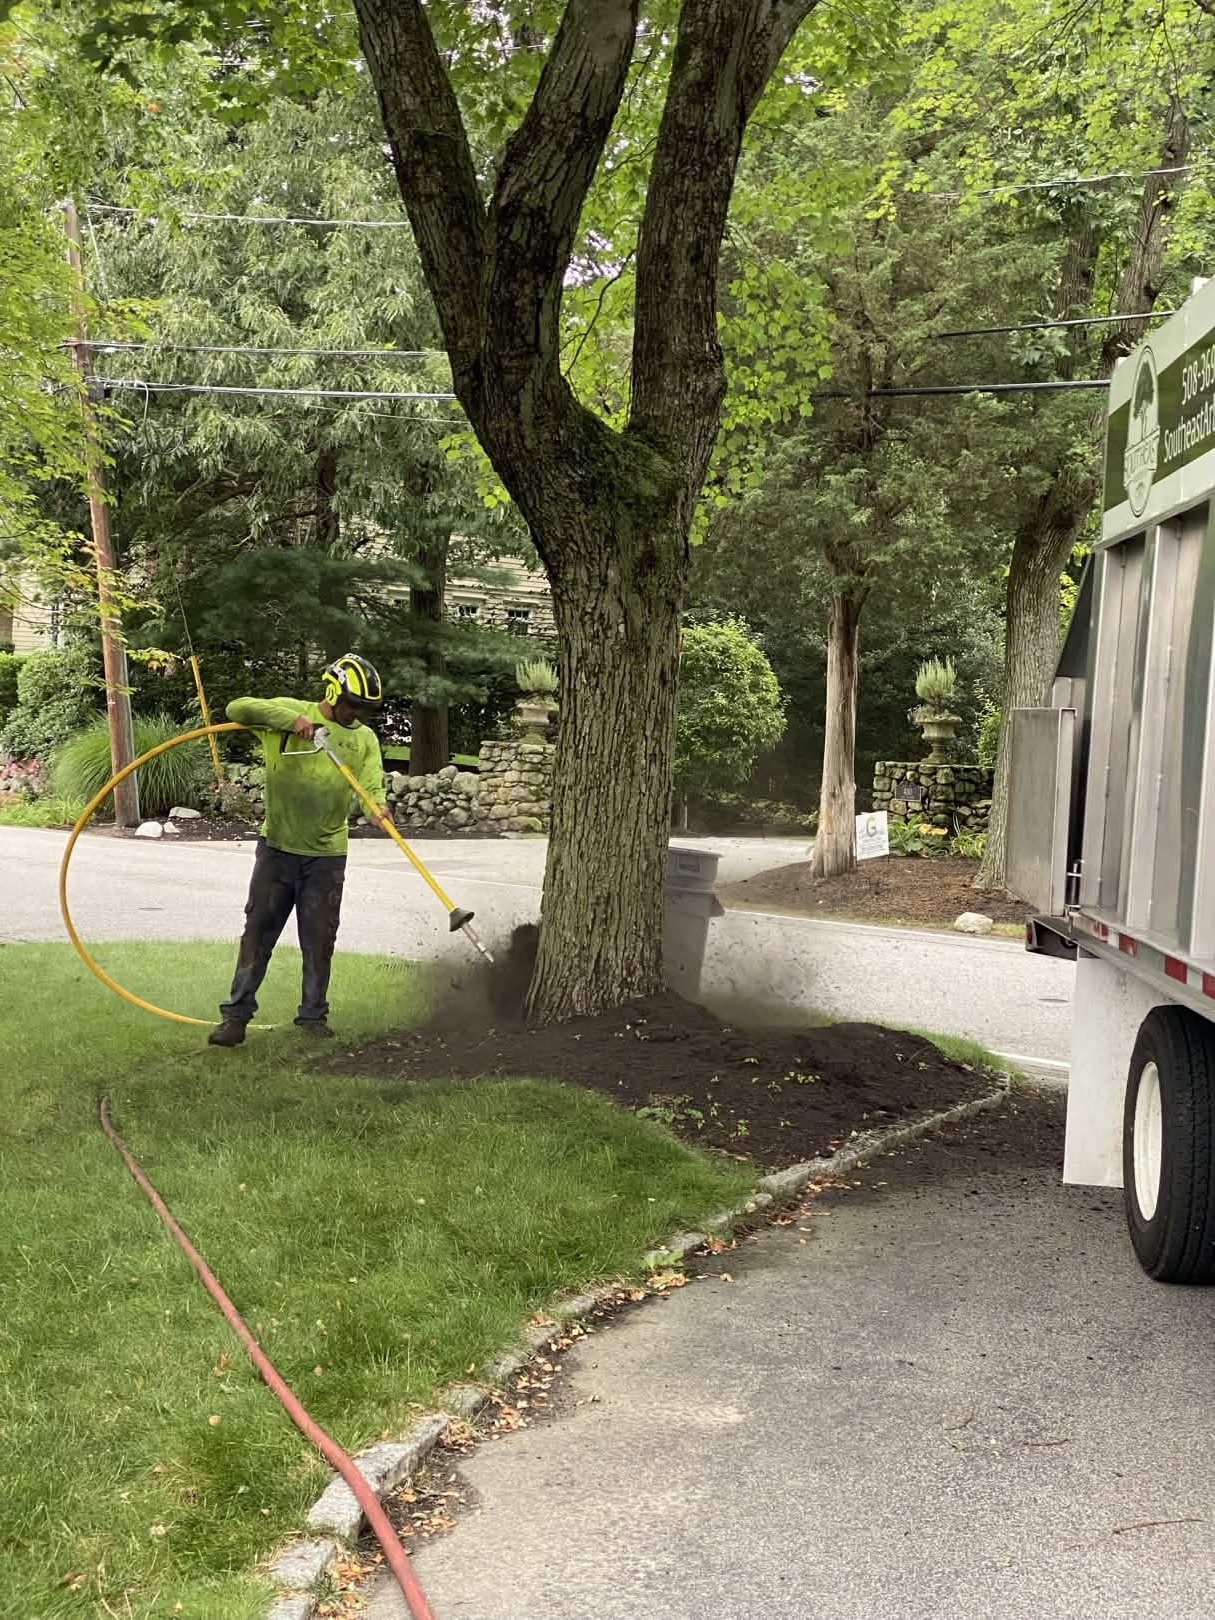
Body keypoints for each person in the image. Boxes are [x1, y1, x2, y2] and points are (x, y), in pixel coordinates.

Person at [208, 653, 391, 1047]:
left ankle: (312, 1019)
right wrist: (291, 722)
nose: (357, 714)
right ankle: (235, 1017)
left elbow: (371, 784)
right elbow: (236, 708)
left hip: (327, 857)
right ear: (333, 693)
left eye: (364, 708)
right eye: (352, 704)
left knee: (320, 940)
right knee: (257, 934)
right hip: (277, 849)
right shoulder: (293, 714)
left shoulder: (363, 739)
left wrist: (377, 806)